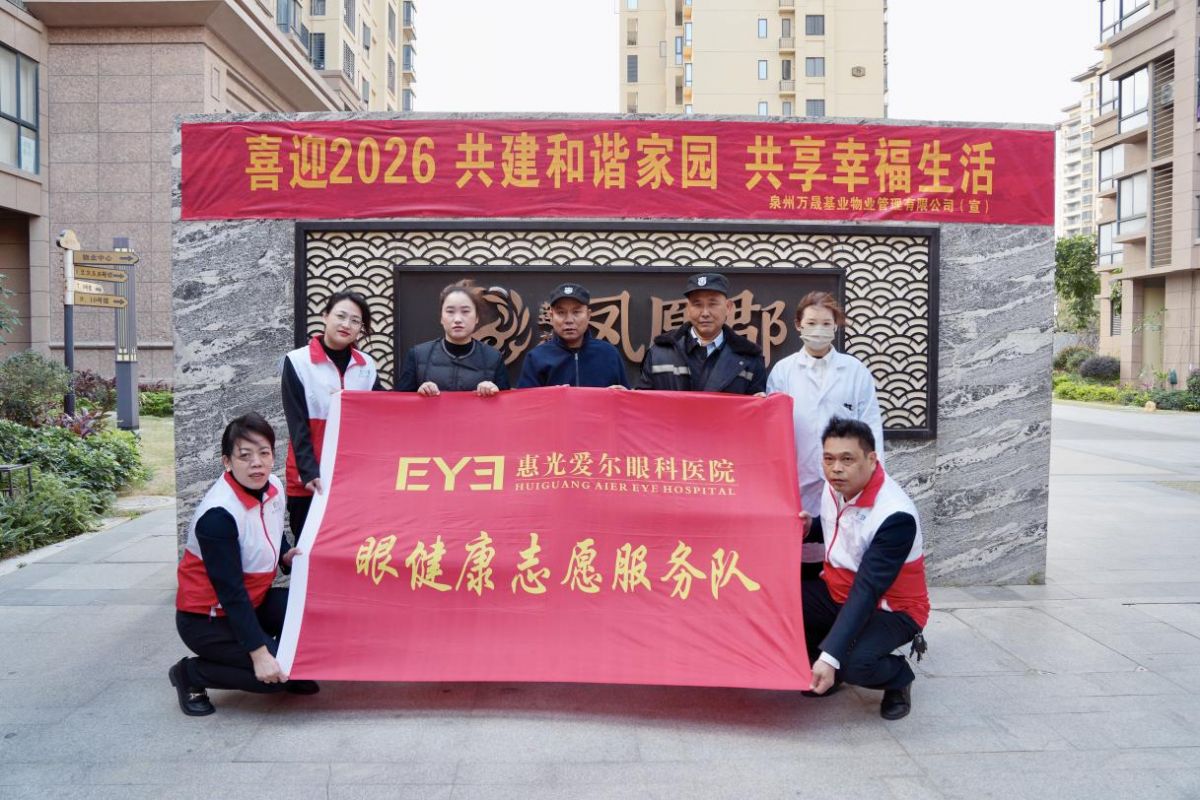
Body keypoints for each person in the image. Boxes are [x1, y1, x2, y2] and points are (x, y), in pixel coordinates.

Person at [170, 413, 318, 717]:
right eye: (245, 456)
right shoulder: (218, 516)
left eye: (264, 453)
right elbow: (231, 592)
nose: (257, 463)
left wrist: (285, 555)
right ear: (227, 461)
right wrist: (259, 653)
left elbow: (272, 530)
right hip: (208, 619)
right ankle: (191, 673)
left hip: (254, 602)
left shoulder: (272, 485)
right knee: (272, 679)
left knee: (310, 613)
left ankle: (285, 666)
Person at [801, 417, 929, 721]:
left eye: (847, 459)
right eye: (829, 459)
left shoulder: (895, 515)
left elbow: (868, 589)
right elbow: (841, 527)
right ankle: (831, 669)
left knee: (854, 663)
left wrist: (831, 657)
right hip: (838, 590)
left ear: (872, 460)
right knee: (782, 605)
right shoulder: (837, 487)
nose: (836, 468)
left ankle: (899, 677)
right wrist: (811, 527)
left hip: (891, 608)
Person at [766, 291, 883, 575]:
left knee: (843, 555)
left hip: (846, 479)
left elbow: (871, 428)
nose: (818, 330)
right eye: (811, 323)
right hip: (797, 475)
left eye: (826, 323)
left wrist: (874, 478)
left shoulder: (855, 371)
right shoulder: (783, 371)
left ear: (836, 326)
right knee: (797, 559)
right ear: (798, 325)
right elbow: (772, 428)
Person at [281, 290, 381, 541]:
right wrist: (309, 471)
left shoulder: (367, 365)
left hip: (354, 479)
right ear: (325, 316)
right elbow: (297, 424)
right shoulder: (298, 362)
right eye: (341, 316)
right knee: (308, 547)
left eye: (355, 321)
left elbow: (383, 412)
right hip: (310, 480)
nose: (347, 325)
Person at [636, 272, 767, 394]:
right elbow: (642, 403)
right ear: (688, 308)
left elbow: (755, 408)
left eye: (712, 304)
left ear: (728, 307)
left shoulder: (750, 359)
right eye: (697, 304)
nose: (705, 313)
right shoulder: (659, 354)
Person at [396, 279, 510, 396]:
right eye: (450, 311)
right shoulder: (417, 356)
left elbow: (507, 404)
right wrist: (419, 394)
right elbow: (400, 402)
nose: (457, 319)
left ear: (476, 318)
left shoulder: (493, 358)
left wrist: (494, 393)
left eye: (465, 311)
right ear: (441, 317)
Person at [516, 282, 629, 388]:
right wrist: (551, 396)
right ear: (551, 316)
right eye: (561, 313)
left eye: (576, 312)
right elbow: (525, 400)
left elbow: (625, 398)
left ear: (588, 315)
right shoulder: (537, 357)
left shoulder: (609, 354)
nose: (569, 320)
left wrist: (621, 394)